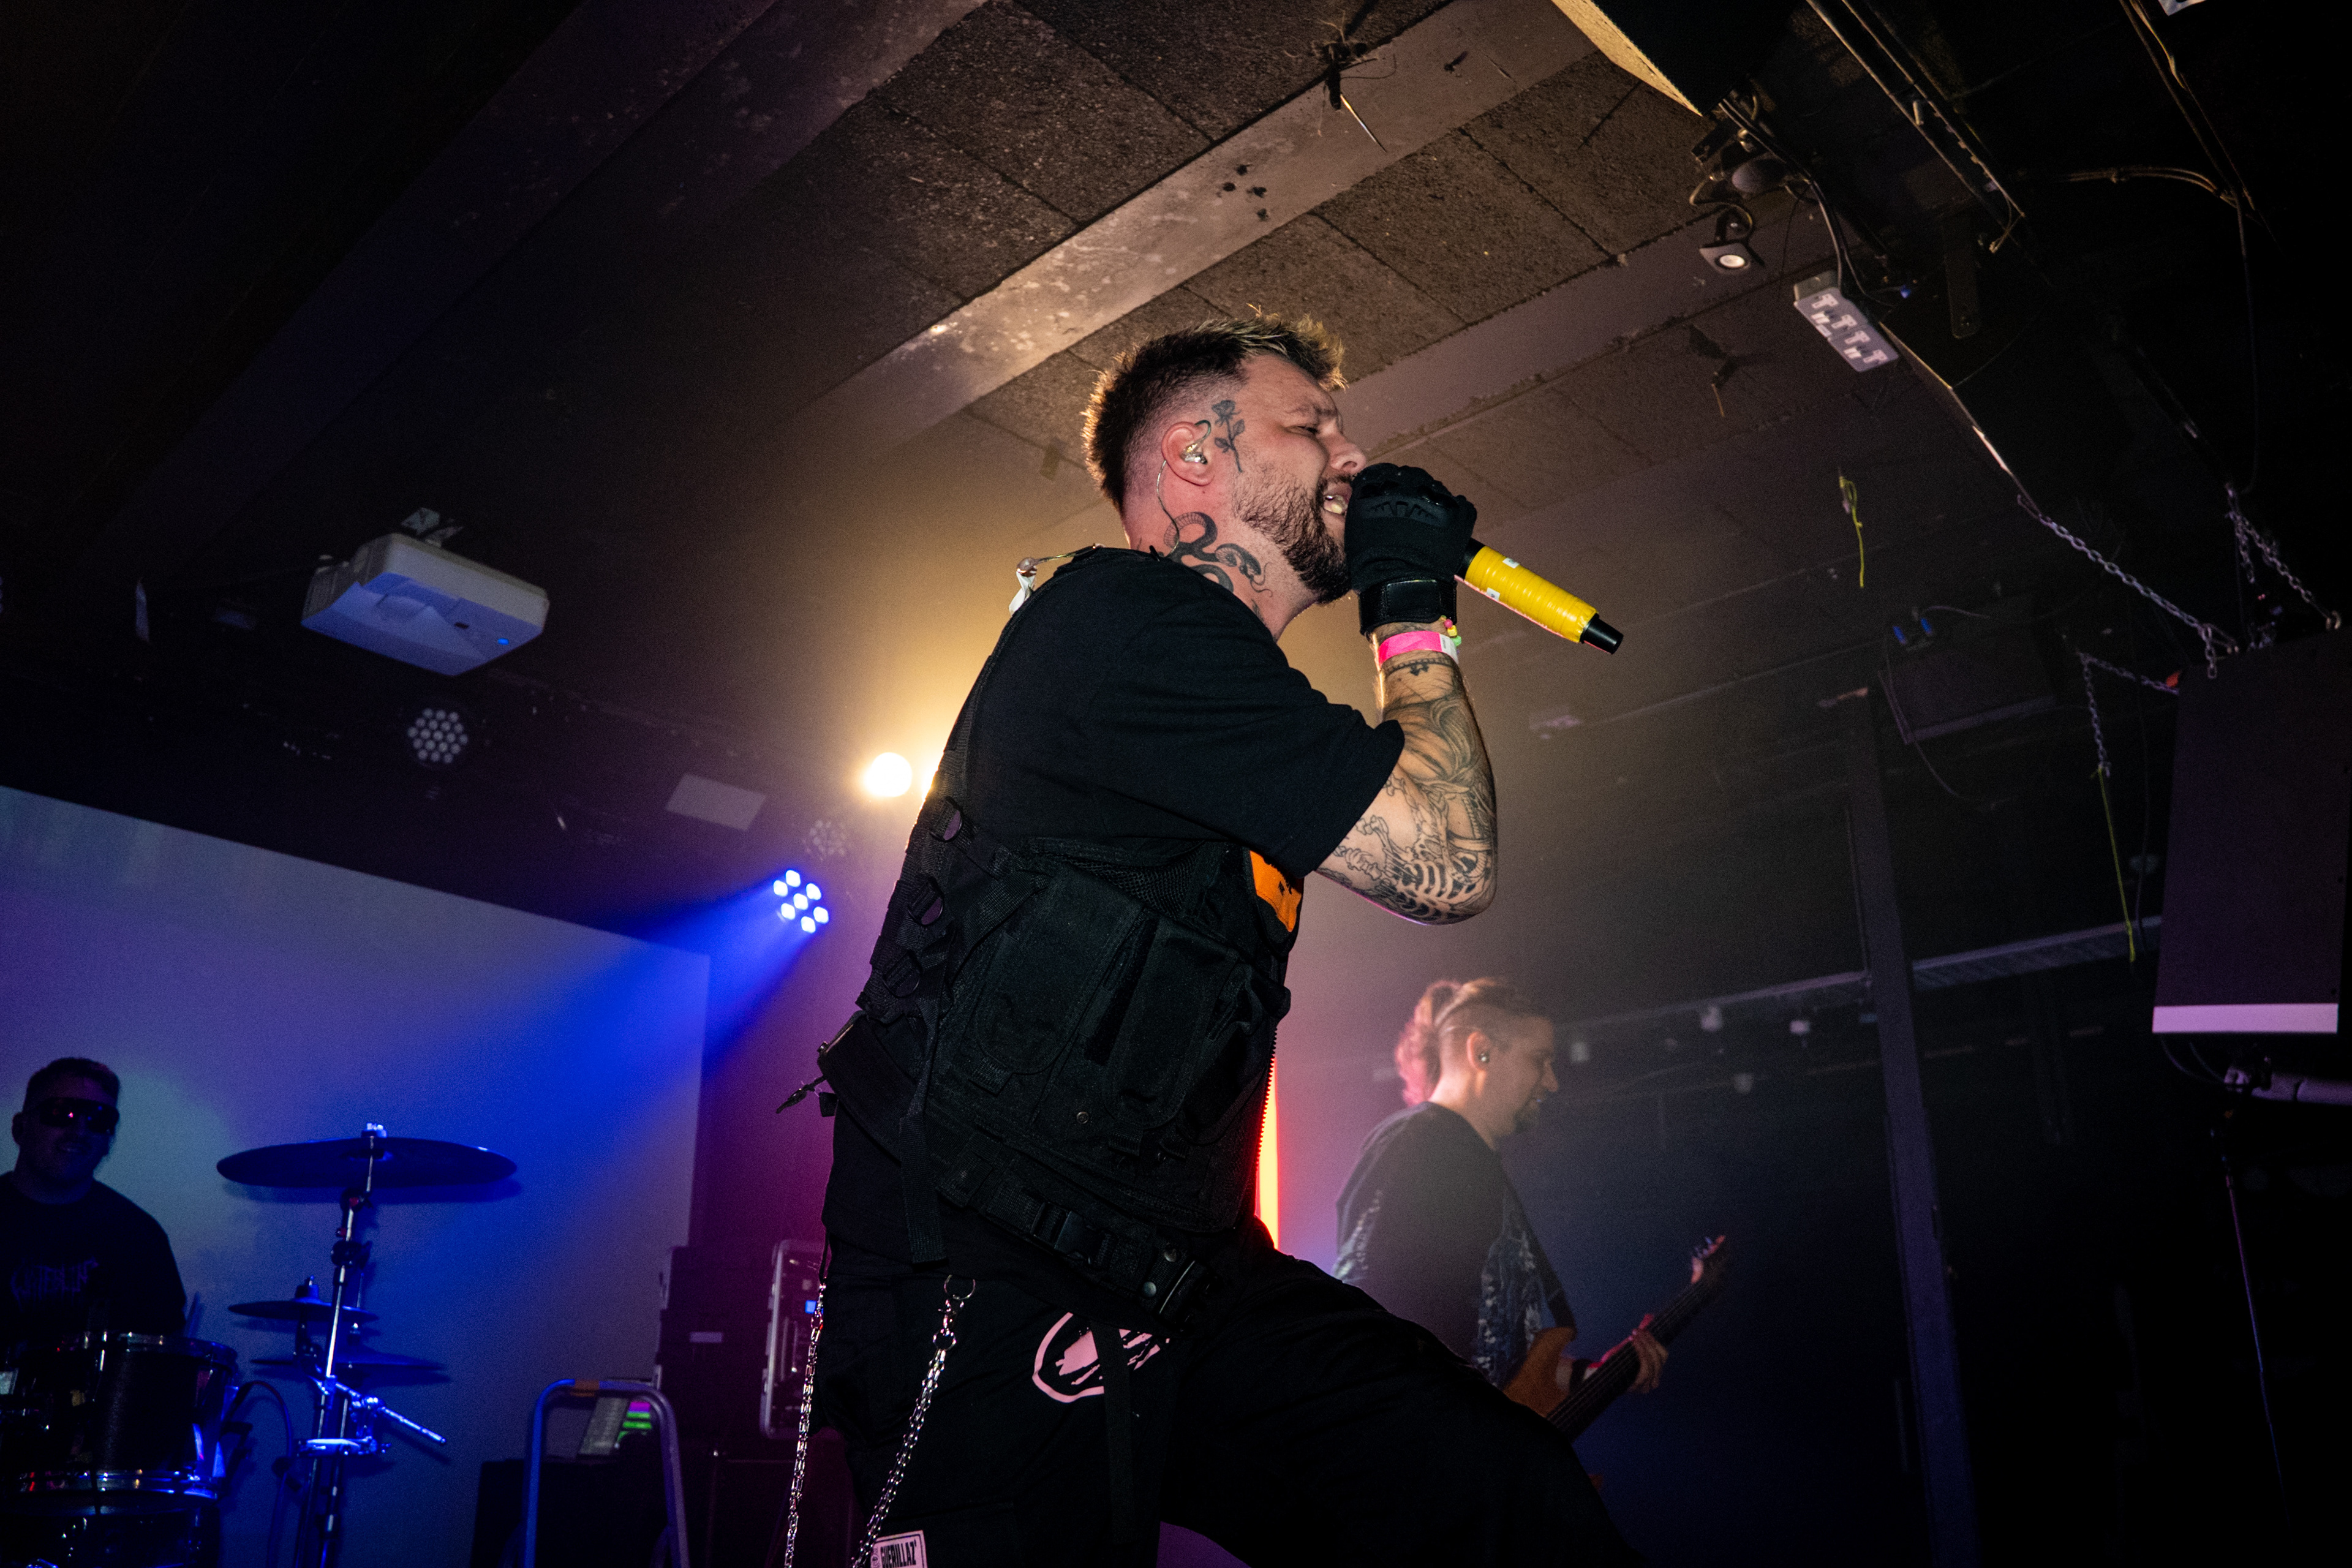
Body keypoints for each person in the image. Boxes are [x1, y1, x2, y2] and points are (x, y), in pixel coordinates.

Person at [809, 317, 1639, 1565]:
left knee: (1500, 1495)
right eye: (1312, 427)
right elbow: (1449, 855)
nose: (1351, 456)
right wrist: (1412, 603)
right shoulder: (1125, 623)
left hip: (1183, 1271)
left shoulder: (1219, 694)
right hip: (992, 1267)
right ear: (1196, 457)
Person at [1336, 979, 1665, 1400]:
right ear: (1481, 1052)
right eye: (1539, 1060)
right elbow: (1369, 1328)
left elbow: (1496, 1362)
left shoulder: (1477, 1162)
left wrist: (1592, 1376)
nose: (1552, 1082)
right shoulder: (1419, 1144)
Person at [0, 1057, 186, 1352]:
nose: (79, 1131)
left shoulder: (140, 1237)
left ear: (109, 1141)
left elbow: (162, 1359)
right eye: (61, 1112)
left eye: (99, 1119)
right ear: (20, 1128)